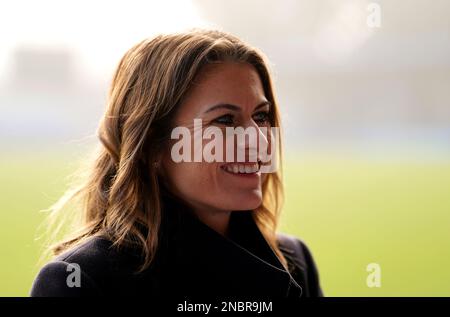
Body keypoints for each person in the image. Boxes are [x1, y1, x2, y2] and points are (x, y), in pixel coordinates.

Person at [30, 29, 323, 297]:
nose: (259, 140)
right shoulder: (81, 280)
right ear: (152, 146)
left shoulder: (294, 261)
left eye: (260, 116)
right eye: (225, 120)